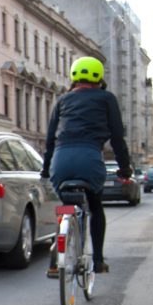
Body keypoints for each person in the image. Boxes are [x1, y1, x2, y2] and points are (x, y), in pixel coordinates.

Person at [41, 56, 132, 276]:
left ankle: (56, 256)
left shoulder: (62, 100)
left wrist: (45, 170)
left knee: (66, 206)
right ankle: (98, 261)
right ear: (99, 77)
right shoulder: (106, 98)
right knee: (95, 206)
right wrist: (125, 169)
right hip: (89, 159)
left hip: (61, 162)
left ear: (73, 77)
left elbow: (50, 139)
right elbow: (117, 138)